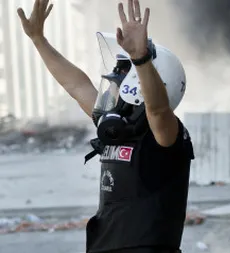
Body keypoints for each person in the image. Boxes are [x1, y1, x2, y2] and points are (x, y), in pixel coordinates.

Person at [17, 0, 194, 252]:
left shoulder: (166, 132)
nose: (113, 84)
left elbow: (157, 109)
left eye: (121, 76)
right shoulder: (118, 125)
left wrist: (141, 59)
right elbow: (76, 86)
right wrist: (38, 40)